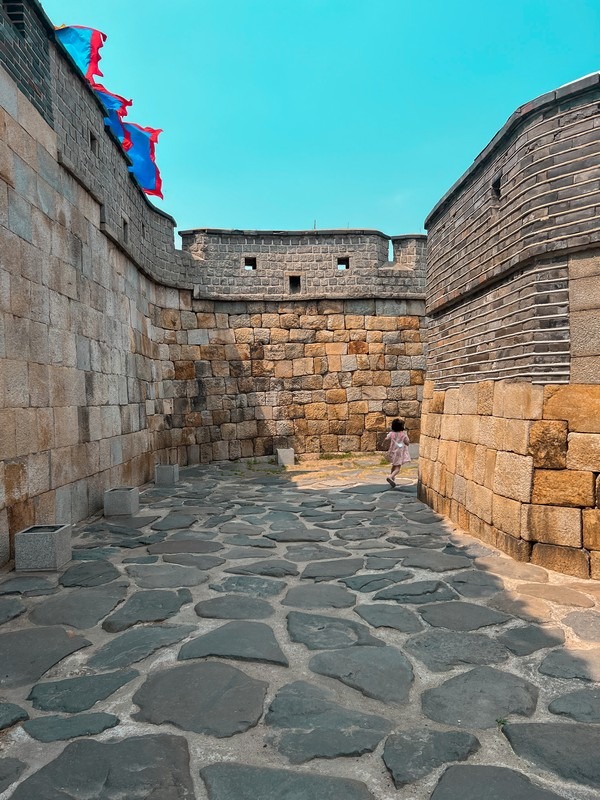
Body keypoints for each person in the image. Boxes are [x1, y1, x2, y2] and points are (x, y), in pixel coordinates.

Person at [384, 418, 411, 488]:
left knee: (393, 465)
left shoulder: (391, 434)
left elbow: (386, 439)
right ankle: (391, 476)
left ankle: (392, 477)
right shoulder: (403, 435)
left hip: (392, 452)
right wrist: (406, 443)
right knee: (397, 468)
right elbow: (407, 442)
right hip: (399, 453)